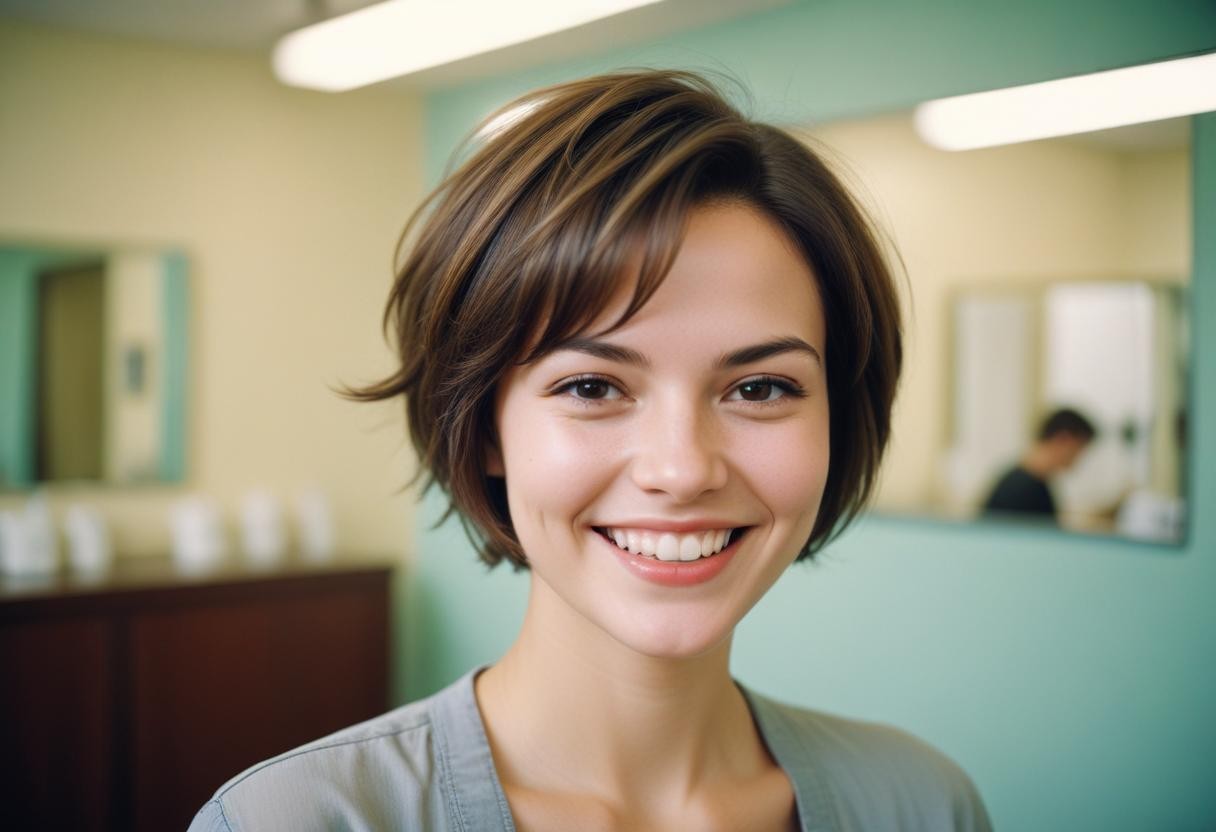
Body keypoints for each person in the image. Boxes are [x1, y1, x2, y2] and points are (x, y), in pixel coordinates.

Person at [190, 70, 990, 831]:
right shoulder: (295, 819)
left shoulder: (921, 805)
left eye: (760, 389)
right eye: (592, 388)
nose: (681, 471)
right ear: (485, 428)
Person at [981, 407, 1097, 522]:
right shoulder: (1020, 490)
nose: (1079, 458)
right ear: (1063, 439)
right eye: (1079, 449)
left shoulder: (1037, 483)